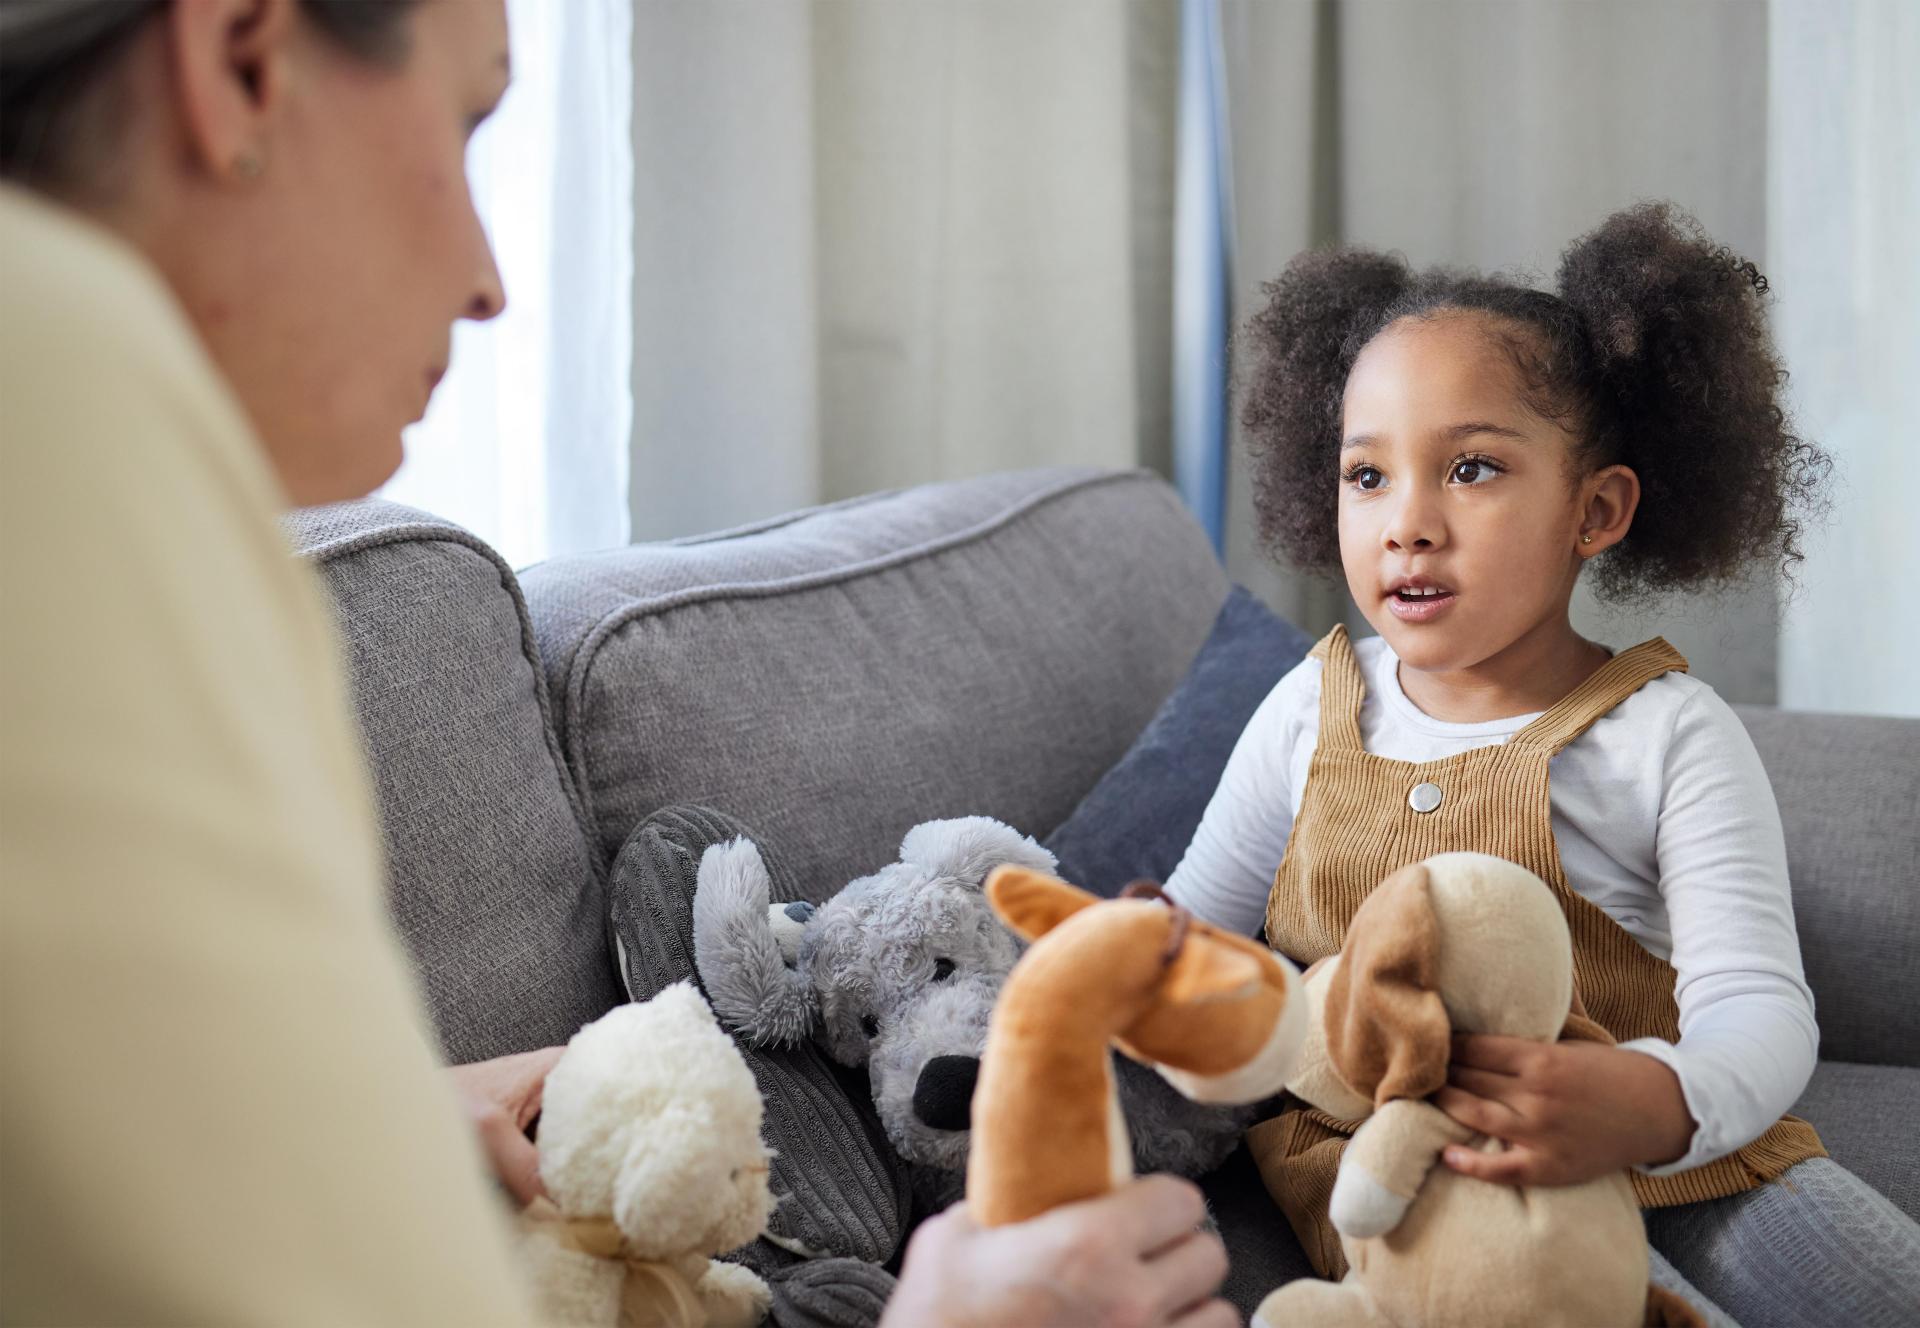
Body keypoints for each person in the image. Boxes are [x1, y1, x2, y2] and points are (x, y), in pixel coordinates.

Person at [0, 3, 1232, 1325]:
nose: (491, 282)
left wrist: (379, 1126)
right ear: (243, 60)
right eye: (469, 122)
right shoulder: (64, 401)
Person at [1162, 203, 1920, 1326]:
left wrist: (1660, 1098)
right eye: (1366, 476)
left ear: (1597, 508)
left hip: (1680, 1154)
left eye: (1469, 467)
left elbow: (1758, 1003)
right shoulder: (1312, 708)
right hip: (1416, 1182)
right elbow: (1201, 931)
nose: (1406, 524)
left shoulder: (1668, 731)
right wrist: (1142, 954)